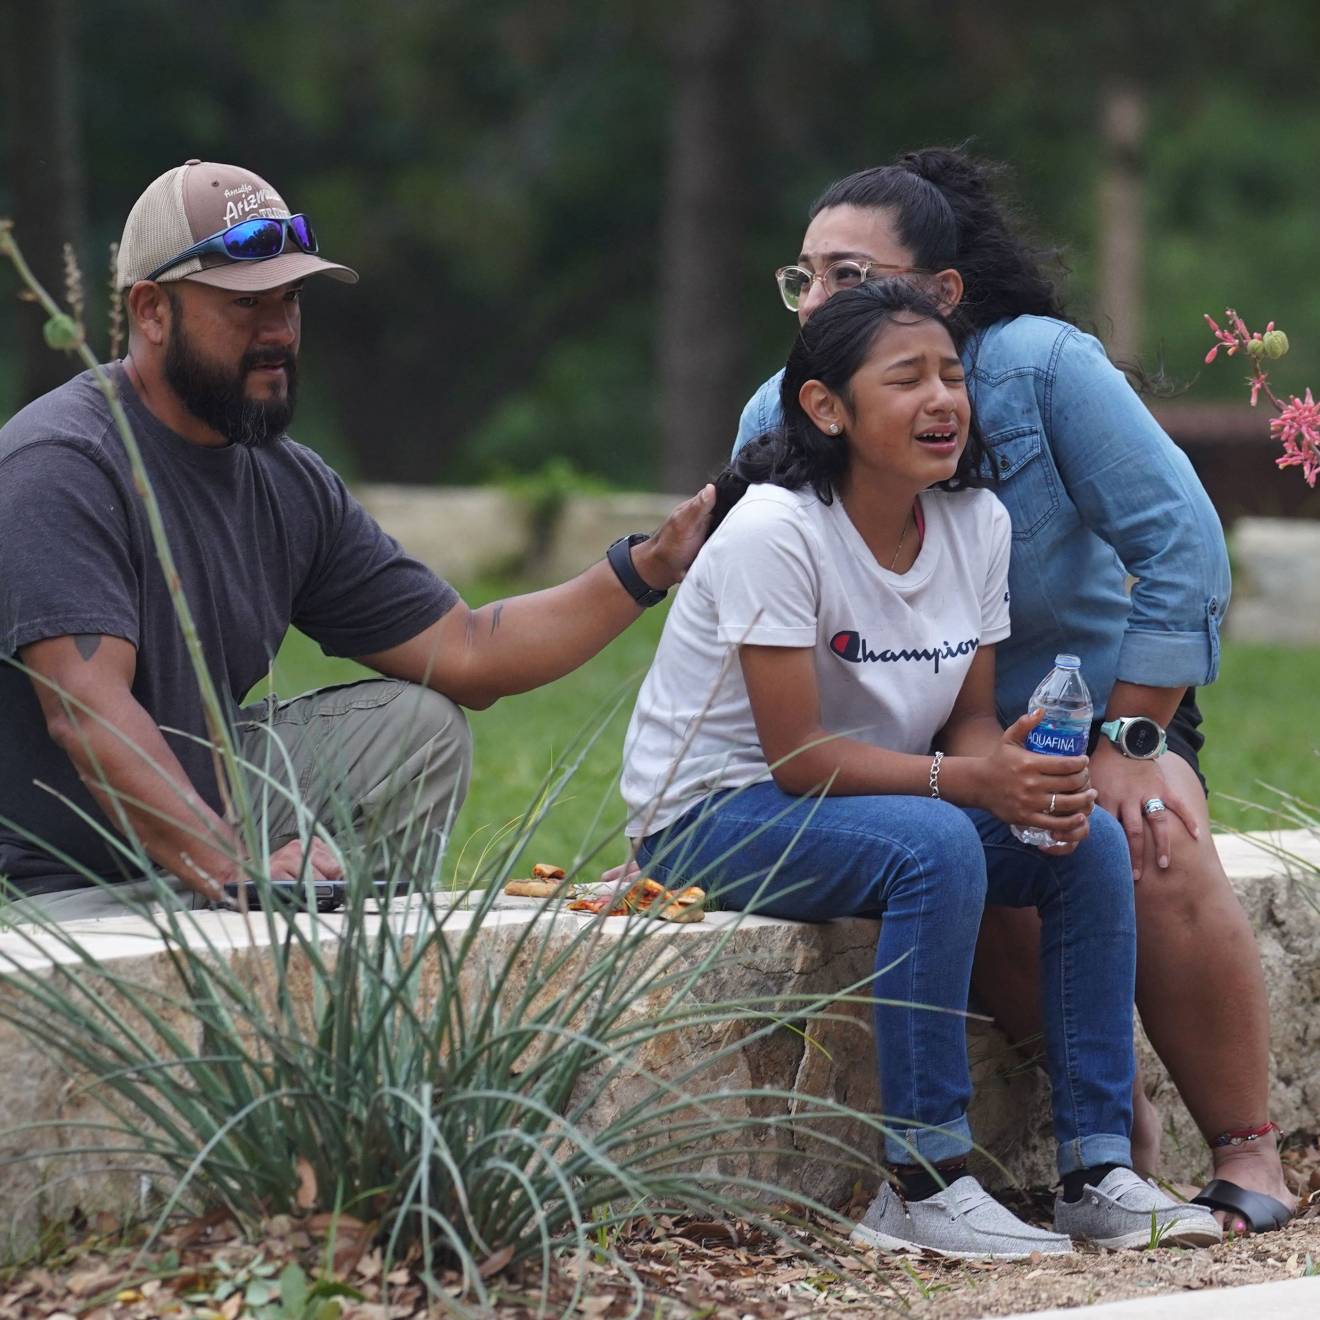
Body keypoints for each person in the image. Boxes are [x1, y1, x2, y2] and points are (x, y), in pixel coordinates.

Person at [729, 148, 1294, 1235]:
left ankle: (1248, 1149)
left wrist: (1130, 744)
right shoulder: (784, 407)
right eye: (805, 278)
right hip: (905, 737)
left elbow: (1181, 550)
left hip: (1099, 704)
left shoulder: (1040, 371)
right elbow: (743, 613)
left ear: (943, 293)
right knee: (973, 867)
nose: (819, 303)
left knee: (1144, 836)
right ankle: (1113, 1138)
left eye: (851, 276)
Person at [621, 280, 1220, 1257]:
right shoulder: (775, 531)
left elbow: (972, 723)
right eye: (906, 379)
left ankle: (1100, 1172)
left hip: (874, 803)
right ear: (826, 407)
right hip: (709, 815)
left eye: (952, 375)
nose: (943, 398)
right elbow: (799, 758)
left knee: (1083, 842)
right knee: (938, 844)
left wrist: (1020, 774)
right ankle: (924, 1183)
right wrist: (968, 785)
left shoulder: (975, 523)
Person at [0, 159, 712, 922]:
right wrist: (232, 865)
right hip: (51, 883)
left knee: (420, 729)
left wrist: (649, 566)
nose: (278, 331)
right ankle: (242, 913)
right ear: (151, 311)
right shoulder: (64, 464)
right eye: (246, 305)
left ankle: (344, 988)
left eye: (291, 299)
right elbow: (86, 712)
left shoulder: (285, 482)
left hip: (202, 836)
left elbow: (467, 653)